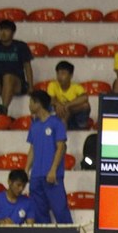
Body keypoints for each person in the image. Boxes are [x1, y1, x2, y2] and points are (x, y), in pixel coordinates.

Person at [26, 89, 73, 225]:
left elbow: (61, 148)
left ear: (38, 103)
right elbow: (32, 149)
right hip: (36, 176)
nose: (29, 105)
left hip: (52, 175)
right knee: (39, 213)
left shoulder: (56, 123)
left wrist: (53, 170)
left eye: (31, 102)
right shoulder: (34, 125)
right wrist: (26, 169)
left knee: (60, 210)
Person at [0, 19, 34, 117]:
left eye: (6, 30)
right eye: (1, 30)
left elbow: (27, 67)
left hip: (16, 83)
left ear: (13, 33)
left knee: (8, 77)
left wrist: (30, 86)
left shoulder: (21, 46)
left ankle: (3, 108)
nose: (3, 33)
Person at [47, 61, 91, 131]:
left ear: (71, 75)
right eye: (58, 73)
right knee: (51, 106)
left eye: (63, 73)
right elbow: (51, 98)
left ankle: (80, 126)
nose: (59, 77)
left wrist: (67, 105)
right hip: (58, 114)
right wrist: (58, 104)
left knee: (86, 105)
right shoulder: (52, 85)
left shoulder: (76, 87)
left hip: (73, 117)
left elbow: (85, 98)